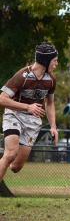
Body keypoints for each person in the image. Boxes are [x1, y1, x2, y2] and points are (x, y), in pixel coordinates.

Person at [0, 42, 59, 183]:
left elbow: (50, 103)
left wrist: (53, 126)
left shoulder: (51, 80)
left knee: (15, 167)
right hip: (14, 115)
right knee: (10, 154)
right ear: (46, 61)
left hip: (33, 122)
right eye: (55, 60)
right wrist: (27, 107)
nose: (56, 64)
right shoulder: (23, 75)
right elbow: (2, 99)